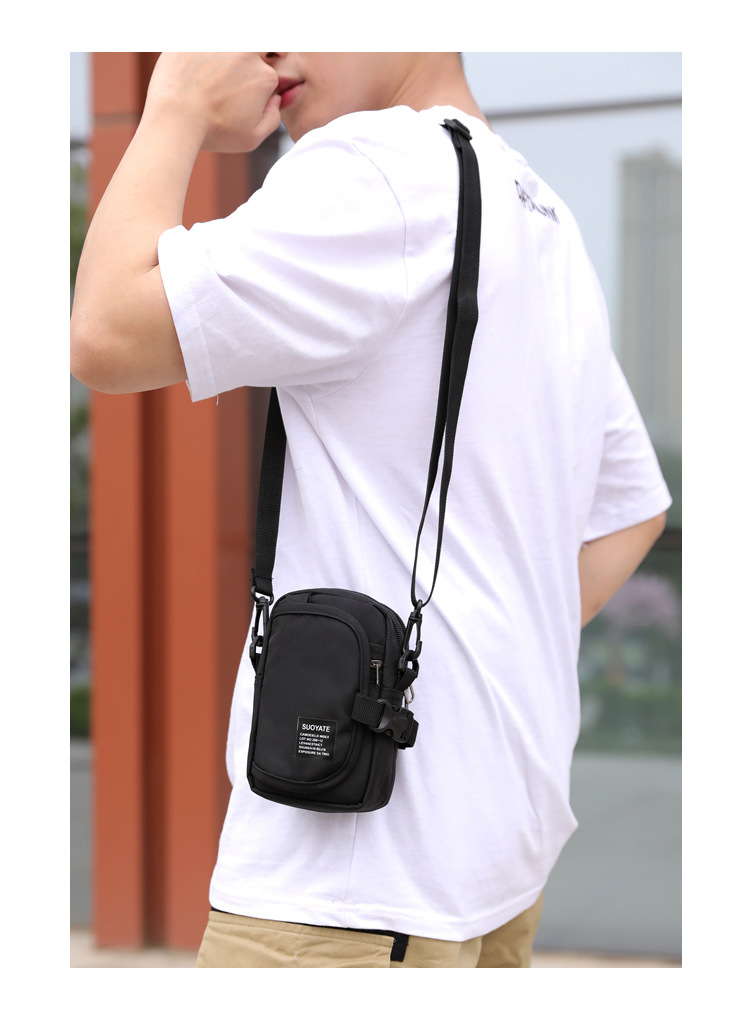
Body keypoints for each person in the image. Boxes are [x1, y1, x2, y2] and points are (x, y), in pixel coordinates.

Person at [70, 52, 671, 968]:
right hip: (496, 863)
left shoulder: (374, 169)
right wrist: (481, 642)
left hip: (348, 886)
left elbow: (105, 334)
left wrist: (175, 105)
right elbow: (630, 510)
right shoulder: (540, 214)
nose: (269, 46)